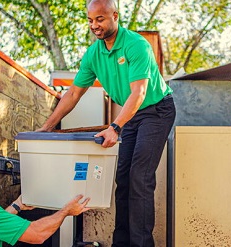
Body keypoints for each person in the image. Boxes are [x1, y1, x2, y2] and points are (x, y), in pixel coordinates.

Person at [36, 0, 175, 245]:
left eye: (99, 19)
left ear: (115, 16)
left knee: (140, 177)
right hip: (131, 115)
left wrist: (115, 127)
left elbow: (139, 93)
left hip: (156, 110)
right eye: (90, 20)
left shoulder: (136, 45)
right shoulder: (93, 54)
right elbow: (73, 94)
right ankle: (120, 242)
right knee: (123, 179)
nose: (94, 25)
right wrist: (47, 127)